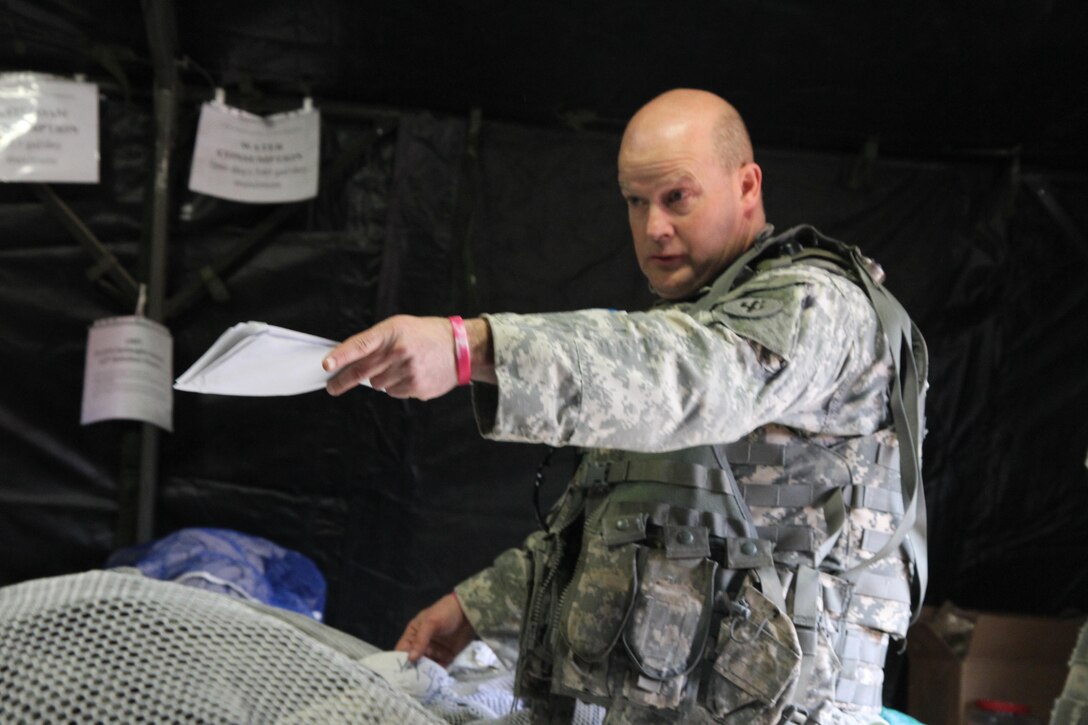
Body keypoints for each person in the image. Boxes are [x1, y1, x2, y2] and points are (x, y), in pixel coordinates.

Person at [324, 89, 928, 725]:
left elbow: (694, 375)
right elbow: (617, 529)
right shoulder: (687, 326)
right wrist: (478, 608)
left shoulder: (816, 307)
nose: (653, 228)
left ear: (746, 185)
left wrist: (469, 346)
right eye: (636, 203)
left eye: (677, 198)